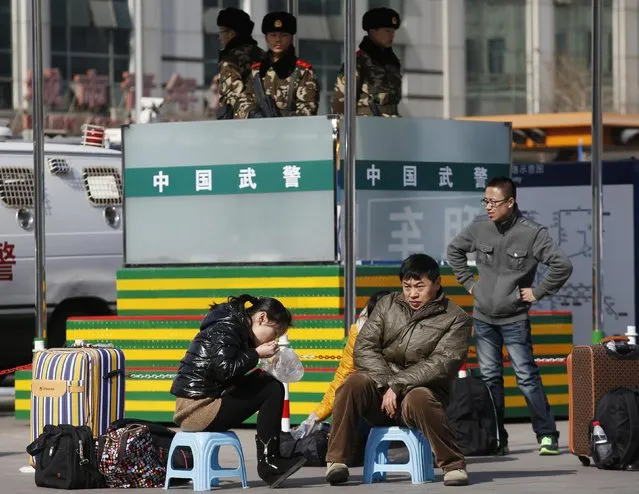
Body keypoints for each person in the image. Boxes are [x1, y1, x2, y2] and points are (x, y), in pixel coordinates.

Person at [447, 176, 573, 456]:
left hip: (515, 318)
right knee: (491, 379)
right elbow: (454, 250)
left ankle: (547, 435)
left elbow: (562, 265)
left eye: (493, 202)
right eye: (485, 201)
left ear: (511, 202)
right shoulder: (480, 227)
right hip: (483, 318)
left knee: (526, 376)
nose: (488, 207)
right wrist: (469, 284)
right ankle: (496, 438)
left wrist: (538, 292)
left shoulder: (532, 233)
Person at [325, 254, 472, 487]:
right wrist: (387, 384)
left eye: (419, 287)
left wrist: (398, 384)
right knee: (354, 383)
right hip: (382, 397)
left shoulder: (456, 319)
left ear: (437, 283)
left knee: (419, 397)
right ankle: (336, 461)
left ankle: (453, 464)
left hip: (423, 395)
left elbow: (442, 363)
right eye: (407, 286)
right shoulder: (387, 304)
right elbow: (364, 348)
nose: (412, 294)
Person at [170, 294, 306, 488]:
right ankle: (269, 463)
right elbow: (225, 370)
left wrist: (259, 366)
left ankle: (271, 461)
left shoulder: (232, 326)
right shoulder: (227, 328)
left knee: (267, 382)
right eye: (275, 333)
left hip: (202, 403)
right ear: (262, 318)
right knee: (272, 389)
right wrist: (257, 354)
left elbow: (223, 373)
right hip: (198, 410)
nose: (274, 340)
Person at [298, 291, 390, 463]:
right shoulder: (359, 332)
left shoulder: (411, 331)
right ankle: (336, 462)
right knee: (353, 383)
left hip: (404, 399)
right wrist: (317, 415)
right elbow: (343, 376)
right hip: (373, 405)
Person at [238, 11, 319, 118]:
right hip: (259, 131)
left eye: (284, 35)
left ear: (291, 38)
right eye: (273, 35)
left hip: (291, 132)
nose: (278, 40)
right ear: (266, 38)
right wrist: (254, 115)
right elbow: (243, 103)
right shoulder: (256, 71)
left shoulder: (303, 71)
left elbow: (308, 110)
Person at [331, 7, 402, 117]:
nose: (391, 35)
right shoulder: (357, 62)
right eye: (387, 31)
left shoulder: (392, 63)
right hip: (366, 128)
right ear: (372, 31)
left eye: (393, 31)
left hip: (392, 128)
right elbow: (340, 105)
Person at [214, 7, 265, 119]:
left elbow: (234, 96)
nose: (219, 37)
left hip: (242, 128)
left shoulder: (230, 60)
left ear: (231, 34)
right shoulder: (263, 55)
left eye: (221, 32)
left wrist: (254, 117)